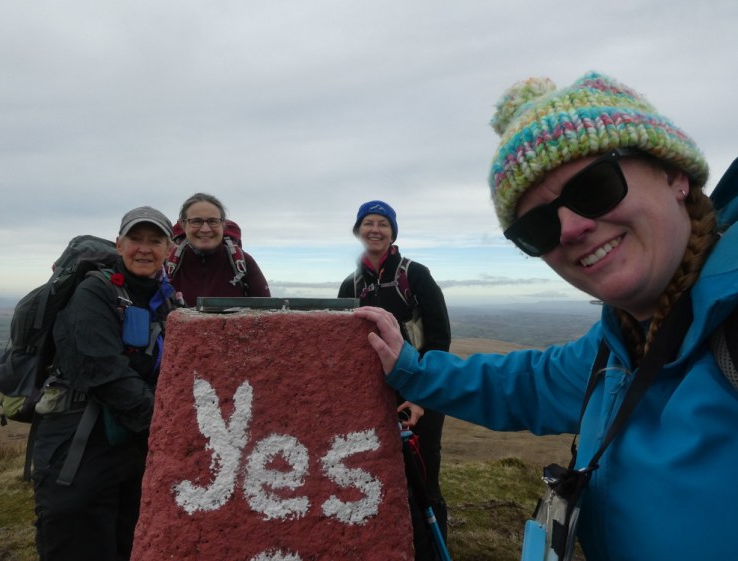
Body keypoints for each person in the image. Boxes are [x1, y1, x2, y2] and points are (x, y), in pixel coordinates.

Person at [354, 71, 738, 561]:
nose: (572, 228)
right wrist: (408, 367)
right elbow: (525, 384)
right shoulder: (618, 343)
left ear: (675, 175)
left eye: (595, 186)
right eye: (537, 226)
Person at [33, 206, 180, 561]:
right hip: (79, 437)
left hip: (131, 440)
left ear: (169, 250)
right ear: (119, 244)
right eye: (135, 239)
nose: (144, 248)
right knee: (79, 533)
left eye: (154, 240)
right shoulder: (94, 292)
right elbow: (102, 370)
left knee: (129, 536)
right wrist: (164, 427)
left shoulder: (168, 300)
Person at [338, 200, 451, 560]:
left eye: (383, 224)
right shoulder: (350, 284)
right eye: (368, 223)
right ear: (358, 231)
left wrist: (421, 395)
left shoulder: (414, 274)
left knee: (424, 479)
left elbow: (439, 338)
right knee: (380, 472)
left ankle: (432, 552)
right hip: (374, 395)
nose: (375, 229)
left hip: (420, 391)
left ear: (392, 233)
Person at [169, 193, 271, 306]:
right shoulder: (169, 265)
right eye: (196, 221)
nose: (205, 229)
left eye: (213, 221)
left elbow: (266, 313)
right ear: (183, 225)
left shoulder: (244, 262)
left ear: (223, 224)